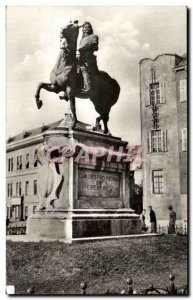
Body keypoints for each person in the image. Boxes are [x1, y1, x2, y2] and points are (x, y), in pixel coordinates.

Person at [78, 21, 99, 94]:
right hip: (81, 57)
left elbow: (95, 47)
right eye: (85, 27)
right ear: (82, 29)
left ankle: (88, 87)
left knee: (83, 68)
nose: (86, 28)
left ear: (91, 29)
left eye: (88, 27)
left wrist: (85, 48)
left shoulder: (94, 36)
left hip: (89, 58)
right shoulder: (81, 40)